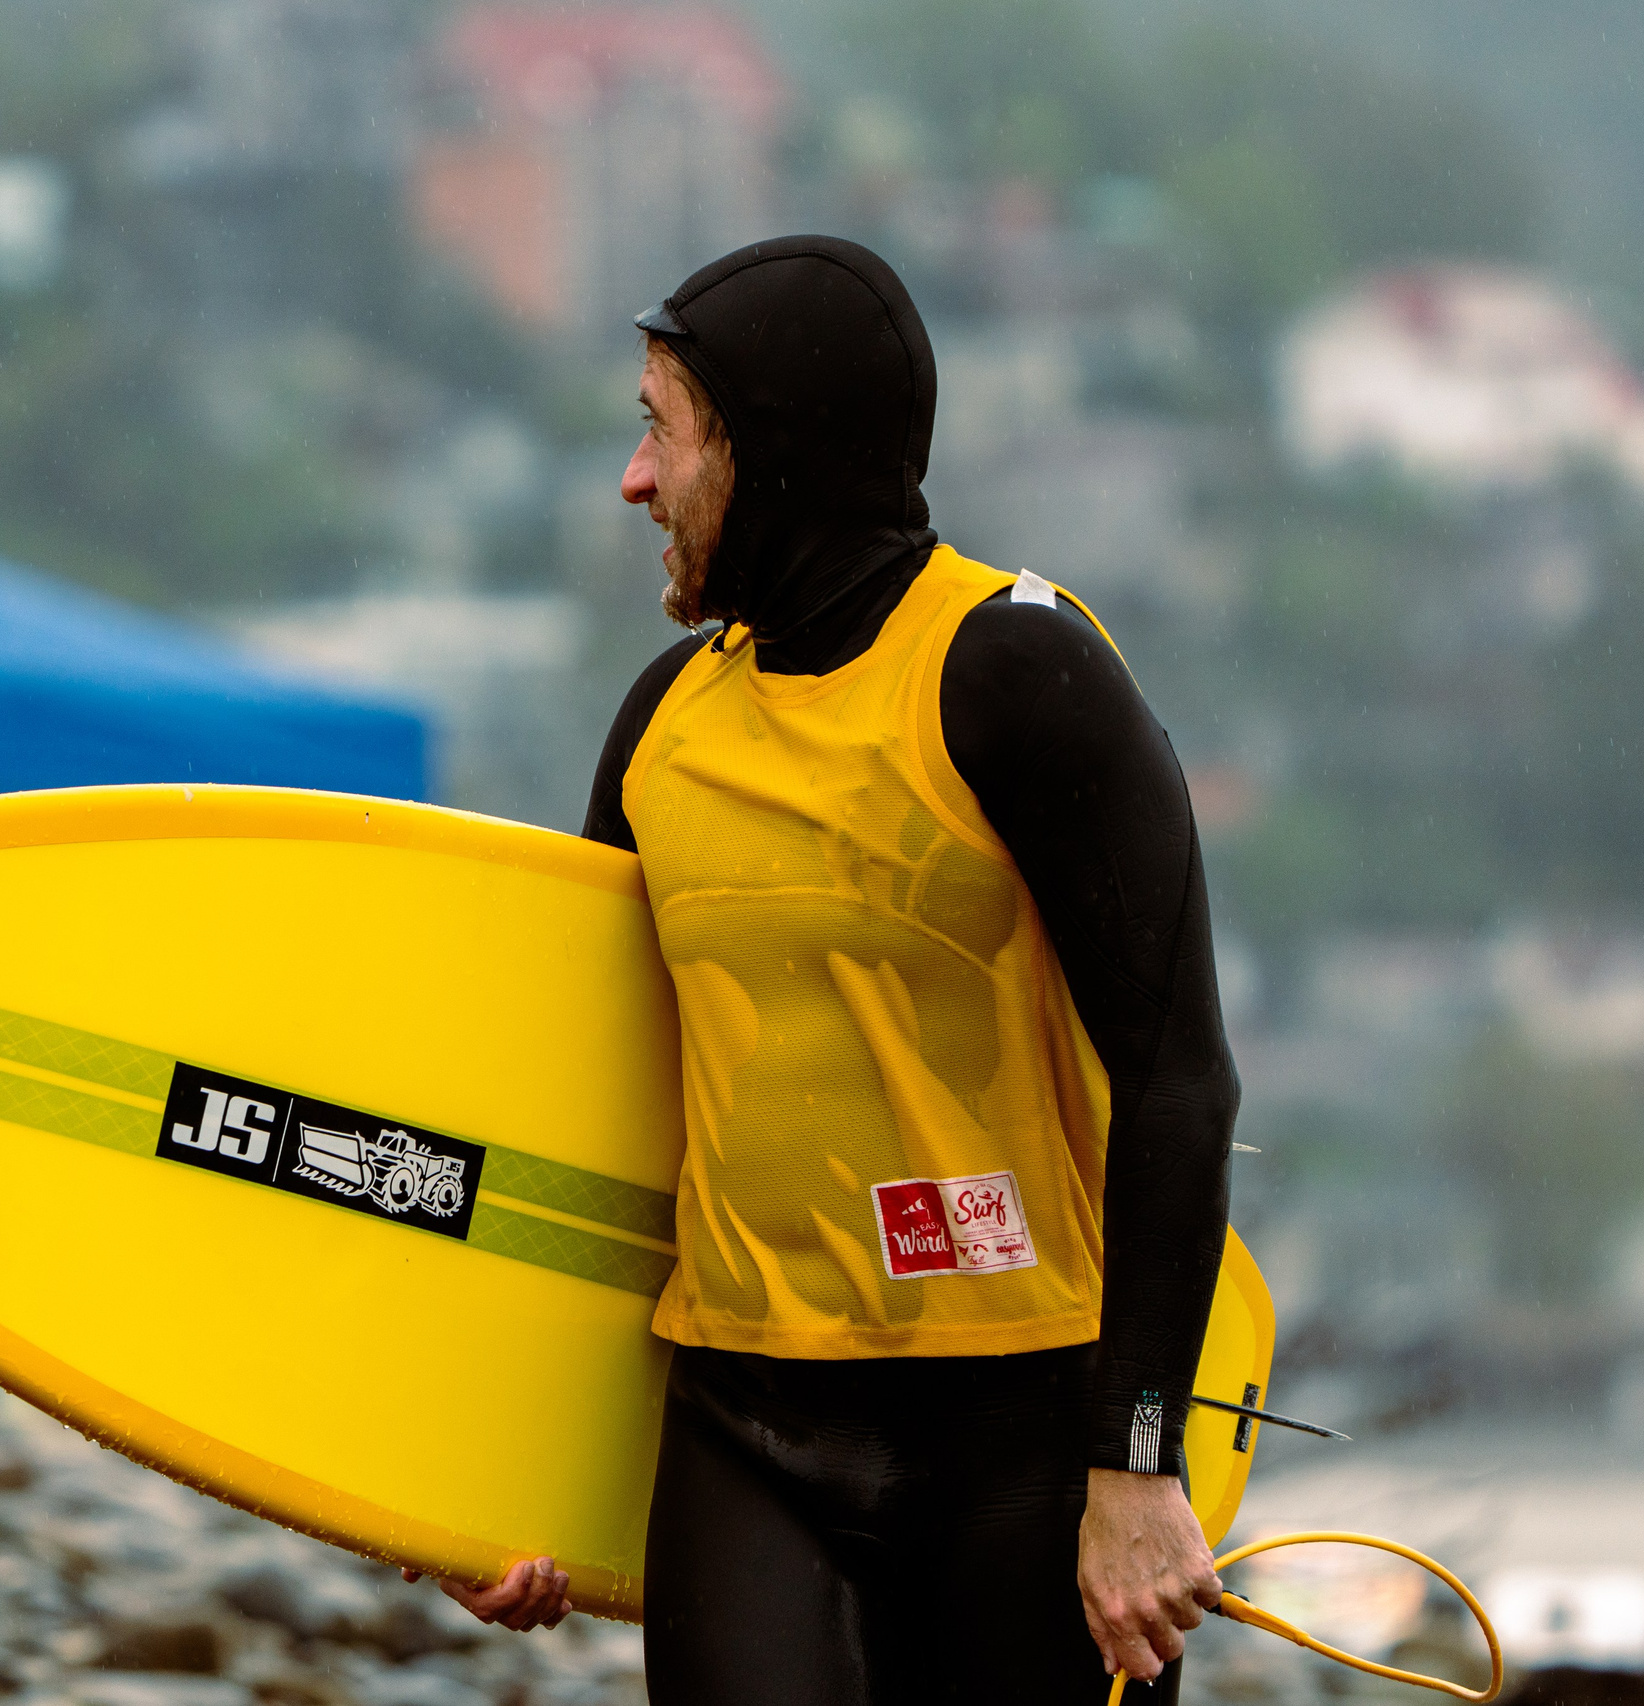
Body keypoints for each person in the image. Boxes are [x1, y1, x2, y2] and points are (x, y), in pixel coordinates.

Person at [422, 239, 1239, 1704]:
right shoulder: (666, 722)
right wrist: (498, 1477)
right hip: (747, 1431)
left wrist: (1136, 1466)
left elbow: (1178, 1078)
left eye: (662, 430)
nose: (633, 479)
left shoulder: (1016, 672)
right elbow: (584, 1121)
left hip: (1023, 1435)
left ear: (771, 450)